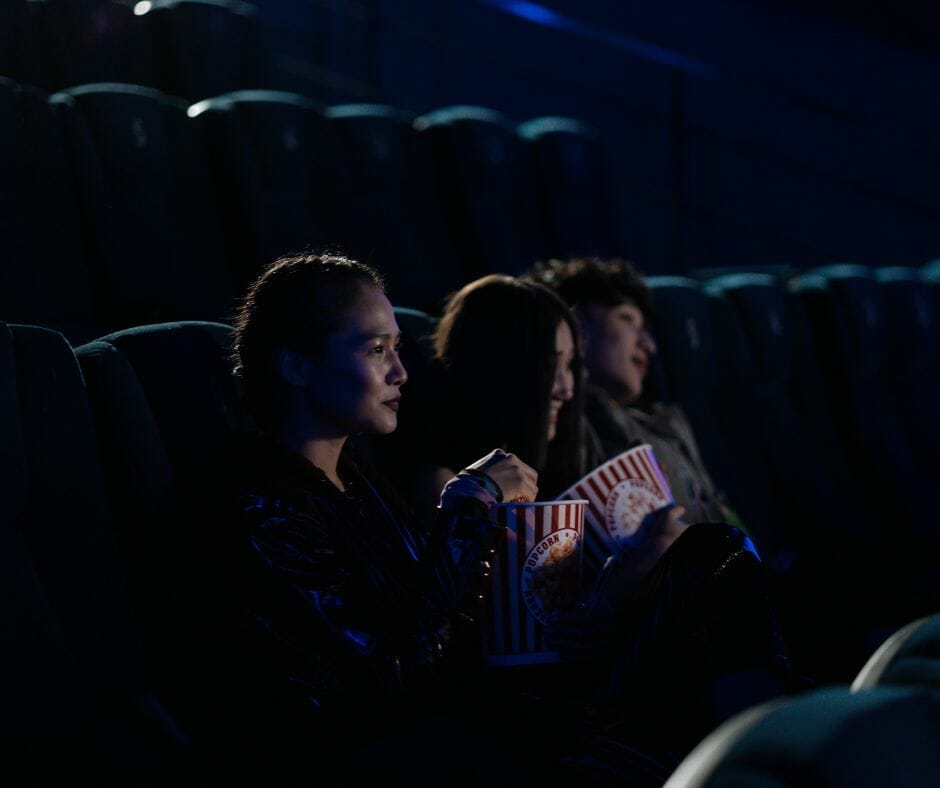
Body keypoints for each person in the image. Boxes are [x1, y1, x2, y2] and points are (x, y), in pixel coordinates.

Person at [217, 252, 686, 787]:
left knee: (706, 561)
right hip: (387, 753)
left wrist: (569, 619)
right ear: (295, 365)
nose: (400, 371)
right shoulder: (262, 502)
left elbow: (441, 622)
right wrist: (470, 504)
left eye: (396, 347)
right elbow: (399, 668)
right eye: (375, 350)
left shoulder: (359, 480)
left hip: (460, 722)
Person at [399, 273, 794, 770]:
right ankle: (770, 760)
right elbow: (450, 630)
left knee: (717, 552)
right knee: (716, 564)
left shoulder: (561, 463)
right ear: (507, 368)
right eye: (553, 364)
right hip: (533, 701)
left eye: (572, 365)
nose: (566, 388)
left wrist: (612, 593)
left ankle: (770, 752)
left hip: (588, 667)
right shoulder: (450, 486)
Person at [522, 256, 747, 530]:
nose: (649, 345)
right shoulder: (565, 424)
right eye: (627, 319)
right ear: (576, 325)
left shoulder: (665, 420)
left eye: (647, 331)